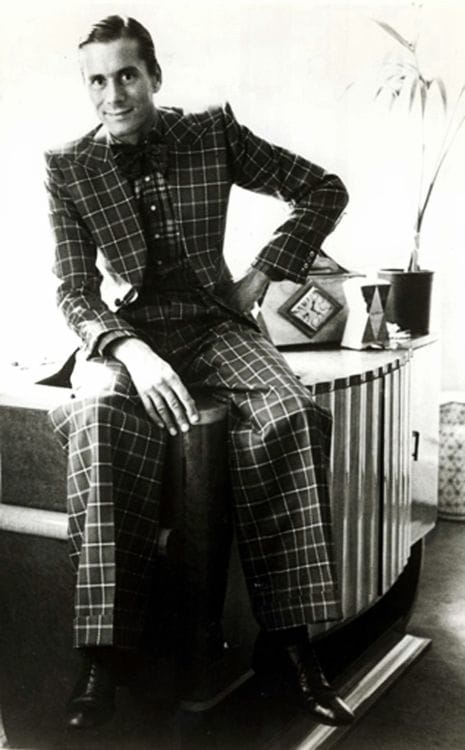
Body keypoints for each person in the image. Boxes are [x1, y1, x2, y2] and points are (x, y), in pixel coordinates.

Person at [45, 14, 354, 731]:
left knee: (293, 414)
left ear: (154, 75)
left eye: (127, 75)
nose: (114, 94)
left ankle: (290, 644)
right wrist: (130, 351)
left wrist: (261, 275)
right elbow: (73, 291)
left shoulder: (211, 131)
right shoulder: (67, 166)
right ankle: (102, 655)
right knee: (99, 416)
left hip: (215, 323)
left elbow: (323, 189)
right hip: (128, 338)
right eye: (98, 81)